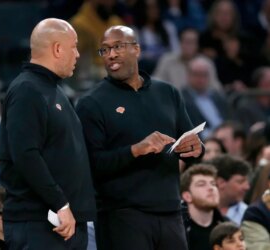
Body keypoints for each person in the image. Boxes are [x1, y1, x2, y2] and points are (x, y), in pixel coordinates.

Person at [76, 25, 203, 250]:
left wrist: (197, 150)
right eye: (104, 50)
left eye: (118, 46)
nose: (111, 54)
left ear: (137, 49)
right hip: (121, 216)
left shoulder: (168, 93)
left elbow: (190, 144)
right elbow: (91, 165)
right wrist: (135, 150)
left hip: (170, 211)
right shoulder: (91, 103)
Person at [0, 18, 96, 250]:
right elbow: (26, 155)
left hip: (64, 223)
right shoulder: (26, 90)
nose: (78, 54)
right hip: (40, 224)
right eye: (74, 46)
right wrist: (60, 204)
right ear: (58, 49)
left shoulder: (55, 91)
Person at [180, 164, 225, 250]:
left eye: (213, 184)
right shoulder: (177, 231)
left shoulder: (227, 226)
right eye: (201, 184)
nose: (211, 188)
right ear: (187, 196)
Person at [210, 154, 251, 225]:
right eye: (240, 181)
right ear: (221, 182)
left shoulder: (248, 213)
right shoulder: (196, 211)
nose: (247, 187)